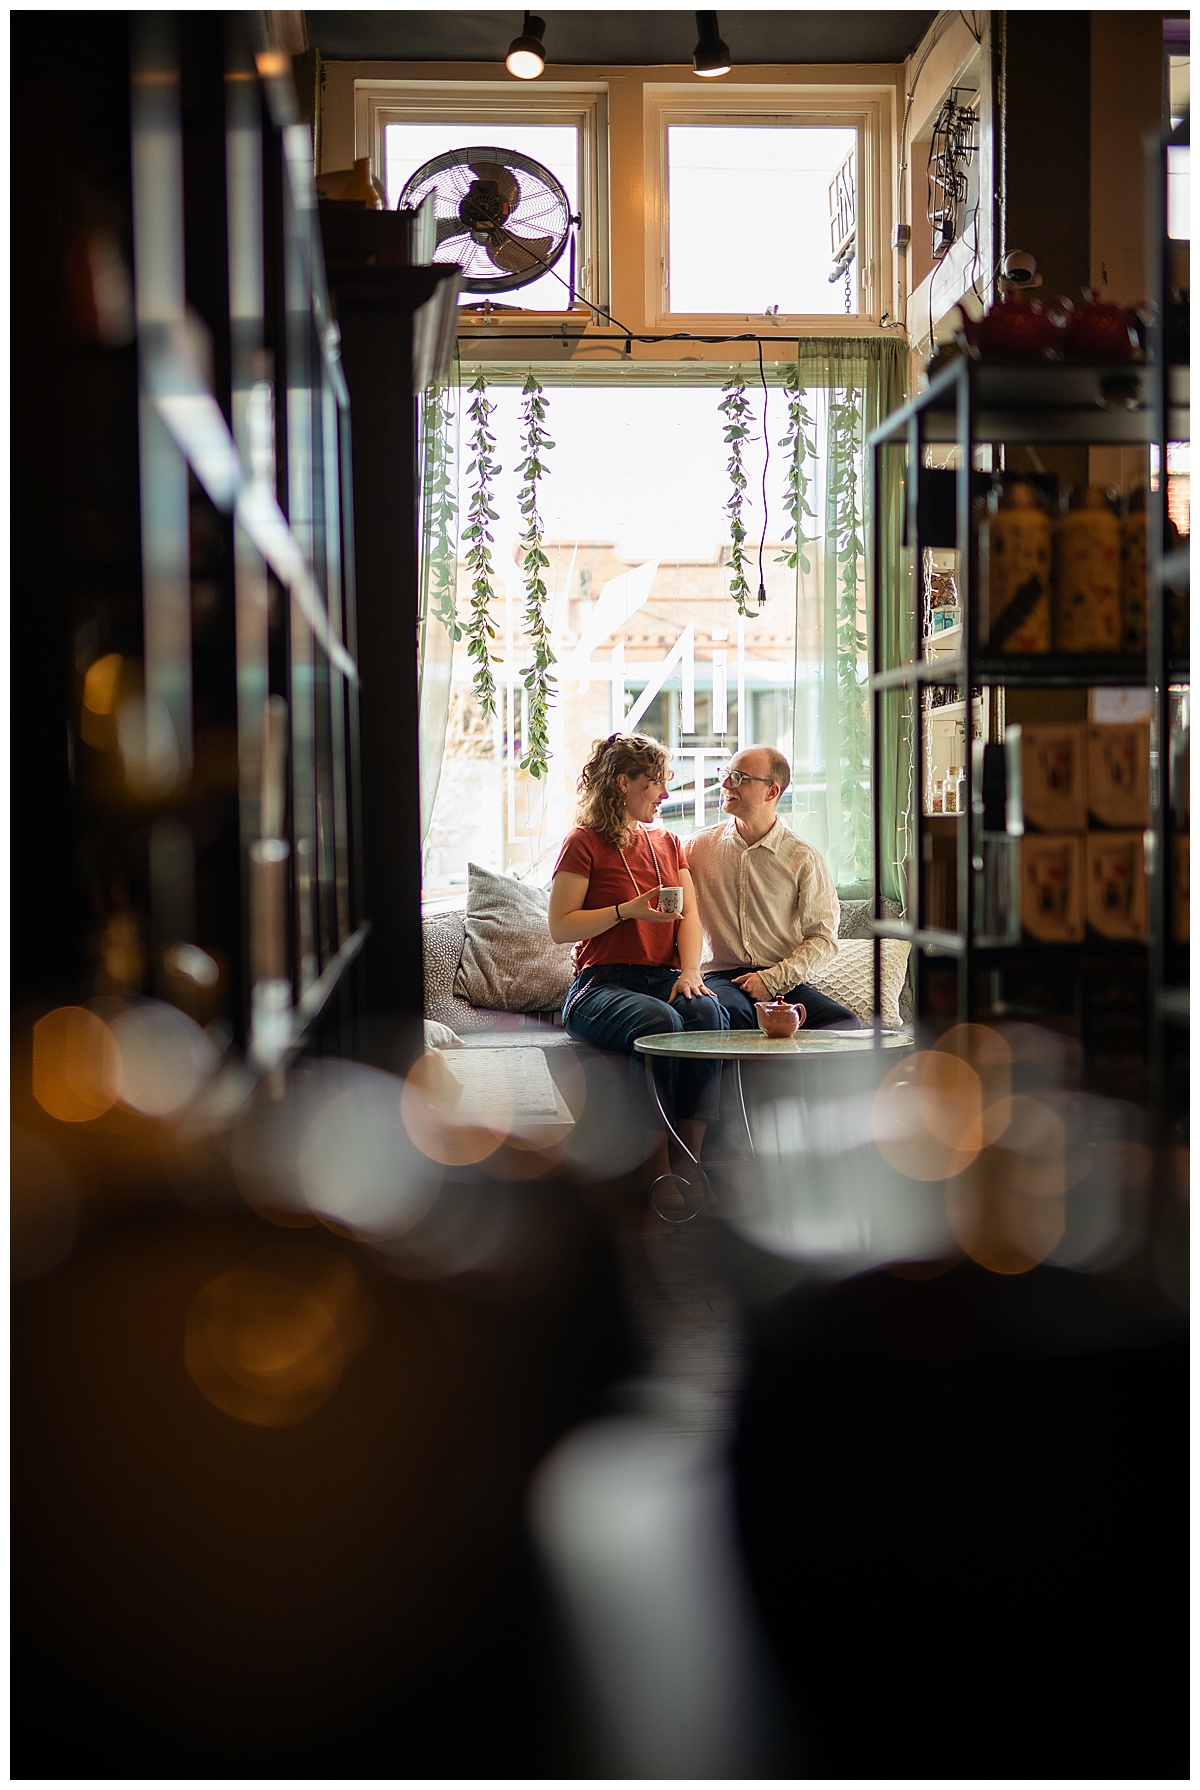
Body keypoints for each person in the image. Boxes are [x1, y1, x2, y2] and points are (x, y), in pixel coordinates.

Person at [548, 732, 728, 1153]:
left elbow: (690, 915)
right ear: (623, 782)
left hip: (663, 978)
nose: (666, 794)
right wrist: (627, 910)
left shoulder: (667, 843)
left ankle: (691, 1160)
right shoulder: (583, 842)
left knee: (706, 1012)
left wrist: (689, 971)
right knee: (659, 1022)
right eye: (657, 783)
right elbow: (561, 926)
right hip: (601, 984)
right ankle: (655, 1167)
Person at [688, 746, 858, 1031]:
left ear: (771, 792)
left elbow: (823, 938)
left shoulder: (803, 857)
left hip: (781, 978)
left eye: (739, 777)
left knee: (843, 1023)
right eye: (727, 774)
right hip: (721, 976)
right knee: (736, 1014)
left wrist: (773, 979)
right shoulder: (696, 848)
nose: (726, 783)